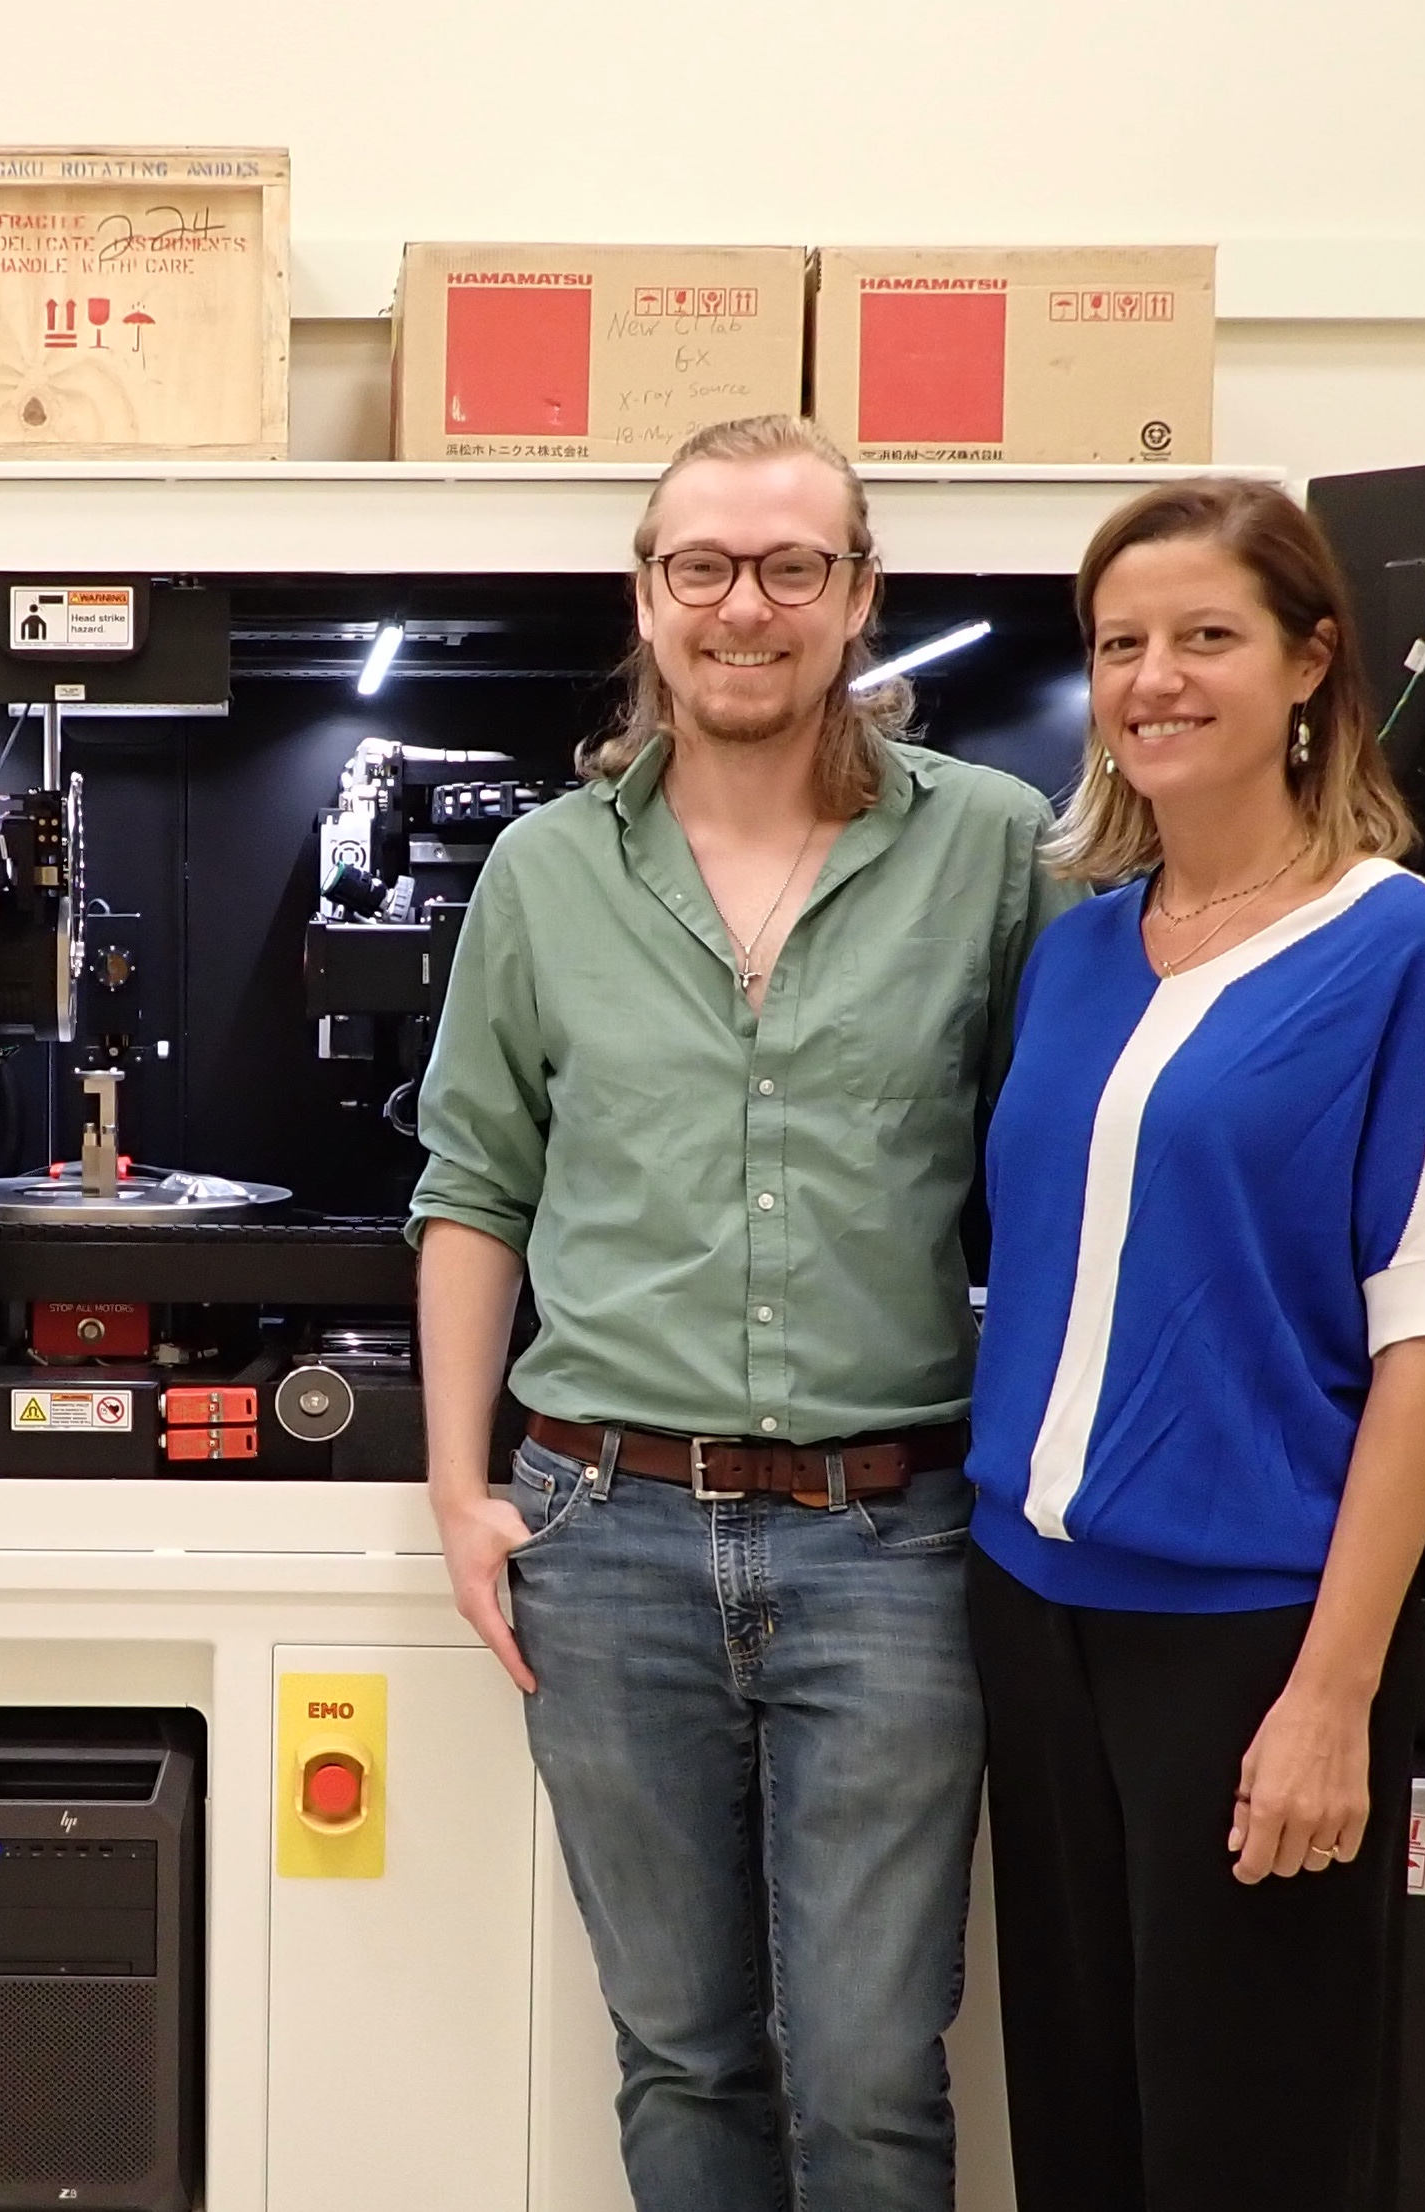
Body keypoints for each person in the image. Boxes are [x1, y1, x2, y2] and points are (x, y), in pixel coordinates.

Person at [413, 412, 1077, 2211]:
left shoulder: (998, 851)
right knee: (683, 2060)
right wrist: (455, 1491)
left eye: (792, 567)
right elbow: (474, 1189)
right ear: (646, 595)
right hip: (599, 1529)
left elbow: (1070, 1176)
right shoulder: (547, 870)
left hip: (891, 1544)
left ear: (857, 599)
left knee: (870, 2078)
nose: (743, 607)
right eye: (700, 566)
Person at [964, 478, 1425, 2212]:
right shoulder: (1073, 955)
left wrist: (1330, 1698)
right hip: (1028, 1614)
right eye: (1120, 643)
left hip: (1245, 1640)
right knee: (1075, 2125)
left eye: (1204, 635)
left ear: (1307, 662)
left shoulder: (1402, 943)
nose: (1154, 677)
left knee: (1244, 2146)